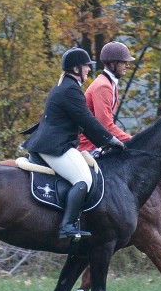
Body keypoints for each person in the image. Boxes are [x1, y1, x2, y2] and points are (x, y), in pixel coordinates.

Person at [22, 47, 126, 239]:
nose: (89, 69)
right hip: (55, 147)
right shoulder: (70, 90)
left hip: (53, 144)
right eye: (86, 66)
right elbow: (88, 121)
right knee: (84, 179)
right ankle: (67, 226)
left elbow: (85, 124)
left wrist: (107, 142)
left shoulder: (68, 86)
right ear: (77, 68)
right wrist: (111, 140)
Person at [78, 41, 136, 152]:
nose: (127, 66)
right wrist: (132, 140)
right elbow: (105, 125)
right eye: (124, 62)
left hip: (98, 143)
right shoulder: (103, 86)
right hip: (90, 147)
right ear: (113, 63)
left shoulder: (110, 84)